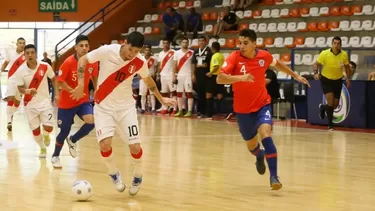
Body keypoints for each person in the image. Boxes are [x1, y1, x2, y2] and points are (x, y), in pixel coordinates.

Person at [70, 31, 176, 196]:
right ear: (125, 43)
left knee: (135, 147)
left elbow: (148, 81)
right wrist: (81, 83)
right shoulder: (107, 50)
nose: (132, 55)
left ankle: (138, 175)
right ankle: (114, 173)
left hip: (126, 108)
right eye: (130, 50)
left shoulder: (139, 62)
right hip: (104, 107)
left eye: (136, 52)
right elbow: (83, 59)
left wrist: (161, 99)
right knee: (105, 145)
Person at [216, 29, 310, 190]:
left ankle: (274, 177)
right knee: (252, 145)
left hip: (262, 105)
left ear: (254, 43)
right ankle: (259, 156)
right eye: (240, 43)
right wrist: (241, 78)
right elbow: (219, 78)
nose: (241, 46)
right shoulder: (234, 57)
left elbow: (278, 64)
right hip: (243, 110)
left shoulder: (264, 56)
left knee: (266, 134)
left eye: (245, 43)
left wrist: (295, 76)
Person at [50, 35, 98, 168]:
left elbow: (94, 76)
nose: (84, 48)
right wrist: (71, 91)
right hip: (67, 103)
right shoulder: (68, 62)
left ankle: (73, 140)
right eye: (81, 45)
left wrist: (97, 88)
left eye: (86, 46)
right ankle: (55, 156)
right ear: (75, 47)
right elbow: (59, 81)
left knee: (91, 121)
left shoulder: (92, 61)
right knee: (64, 131)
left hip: (83, 100)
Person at [12, 44, 57, 158]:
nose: (30, 55)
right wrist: (27, 91)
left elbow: (53, 78)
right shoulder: (21, 71)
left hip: (45, 102)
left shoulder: (45, 66)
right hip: (30, 105)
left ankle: (46, 134)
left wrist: (57, 94)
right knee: (36, 131)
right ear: (25, 55)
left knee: (49, 127)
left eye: (32, 52)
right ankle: (42, 148)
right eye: (27, 53)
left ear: (36, 54)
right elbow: (20, 88)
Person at [313, 36, 351, 131]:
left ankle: (322, 107)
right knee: (330, 101)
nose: (336, 45)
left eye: (338, 44)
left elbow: (347, 67)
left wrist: (348, 78)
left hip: (338, 80)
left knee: (335, 104)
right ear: (332, 44)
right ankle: (330, 125)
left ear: (341, 45)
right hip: (326, 79)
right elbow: (316, 64)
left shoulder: (344, 55)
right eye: (335, 43)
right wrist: (315, 73)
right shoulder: (324, 53)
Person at [1, 37, 26, 132]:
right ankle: (9, 122)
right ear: (17, 44)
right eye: (20, 43)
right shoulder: (10, 53)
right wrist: (1, 70)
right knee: (10, 99)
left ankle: (11, 114)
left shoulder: (26, 54)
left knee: (17, 102)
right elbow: (5, 63)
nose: (22, 45)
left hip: (22, 82)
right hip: (11, 79)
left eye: (23, 43)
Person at [173, 37, 194, 117]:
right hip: (179, 76)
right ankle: (180, 110)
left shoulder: (192, 53)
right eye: (183, 42)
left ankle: (189, 111)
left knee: (189, 93)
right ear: (181, 43)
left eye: (186, 42)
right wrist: (174, 76)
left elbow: (193, 65)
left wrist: (193, 75)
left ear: (188, 43)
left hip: (188, 75)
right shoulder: (176, 53)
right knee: (179, 93)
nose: (185, 44)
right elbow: (174, 65)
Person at [192, 35, 212, 118]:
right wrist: (193, 75)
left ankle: (208, 112)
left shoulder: (209, 51)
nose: (201, 42)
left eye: (202, 41)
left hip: (207, 75)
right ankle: (200, 111)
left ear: (205, 41)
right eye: (199, 41)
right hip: (198, 75)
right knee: (200, 94)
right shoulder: (196, 51)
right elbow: (193, 63)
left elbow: (211, 63)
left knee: (207, 93)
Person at [157, 38, 177, 115]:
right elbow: (159, 65)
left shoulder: (173, 52)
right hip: (163, 75)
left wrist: (175, 75)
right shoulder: (160, 53)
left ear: (169, 44)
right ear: (162, 44)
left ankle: (174, 108)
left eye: (167, 43)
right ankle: (165, 108)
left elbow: (176, 64)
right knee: (164, 92)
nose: (165, 44)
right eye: (164, 43)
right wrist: (158, 74)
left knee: (173, 92)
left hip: (170, 75)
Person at [206, 41, 225, 117]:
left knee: (208, 94)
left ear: (212, 48)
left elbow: (216, 66)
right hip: (221, 76)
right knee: (219, 94)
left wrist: (210, 73)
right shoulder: (222, 55)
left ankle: (209, 114)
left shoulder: (214, 56)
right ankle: (220, 113)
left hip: (214, 76)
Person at [139, 45, 158, 114]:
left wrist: (156, 74)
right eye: (146, 50)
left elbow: (157, 67)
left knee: (152, 94)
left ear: (150, 51)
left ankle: (153, 108)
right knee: (143, 94)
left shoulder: (154, 59)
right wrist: (138, 74)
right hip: (143, 78)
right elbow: (138, 67)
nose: (147, 51)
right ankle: (143, 108)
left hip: (151, 78)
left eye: (148, 50)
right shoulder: (141, 59)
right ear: (144, 51)